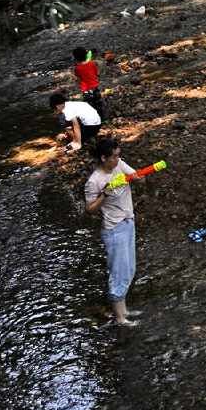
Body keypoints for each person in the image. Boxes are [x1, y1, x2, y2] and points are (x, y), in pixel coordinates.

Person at [85, 135, 141, 327]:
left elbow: (136, 175)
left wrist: (134, 176)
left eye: (119, 155)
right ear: (103, 158)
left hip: (128, 222)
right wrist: (105, 194)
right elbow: (90, 209)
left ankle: (124, 309)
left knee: (129, 268)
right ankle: (120, 318)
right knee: (118, 272)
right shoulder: (95, 181)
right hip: (114, 229)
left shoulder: (119, 165)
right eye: (114, 156)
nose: (118, 159)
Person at [72, 47, 104, 121]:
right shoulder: (92, 63)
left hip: (86, 90)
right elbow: (96, 73)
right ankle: (102, 119)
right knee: (98, 103)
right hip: (95, 87)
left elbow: (78, 78)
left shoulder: (77, 68)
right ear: (86, 56)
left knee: (90, 105)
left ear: (75, 58)